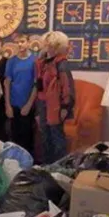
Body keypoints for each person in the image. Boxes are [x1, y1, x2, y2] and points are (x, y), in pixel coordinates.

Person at [35, 31, 75, 164]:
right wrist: (38, 110)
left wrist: (65, 107)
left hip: (56, 106)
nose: (48, 48)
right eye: (47, 45)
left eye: (51, 46)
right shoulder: (43, 63)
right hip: (43, 105)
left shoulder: (61, 64)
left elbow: (67, 88)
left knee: (57, 137)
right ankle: (47, 166)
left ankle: (60, 166)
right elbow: (39, 87)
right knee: (45, 137)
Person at [5, 34, 37, 154]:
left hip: (27, 105)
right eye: (18, 42)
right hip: (14, 104)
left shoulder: (35, 61)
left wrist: (29, 104)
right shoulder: (12, 61)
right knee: (14, 136)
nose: (20, 44)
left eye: (22, 41)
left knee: (27, 137)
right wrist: (7, 105)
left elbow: (36, 85)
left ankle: (28, 165)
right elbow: (7, 83)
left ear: (28, 43)